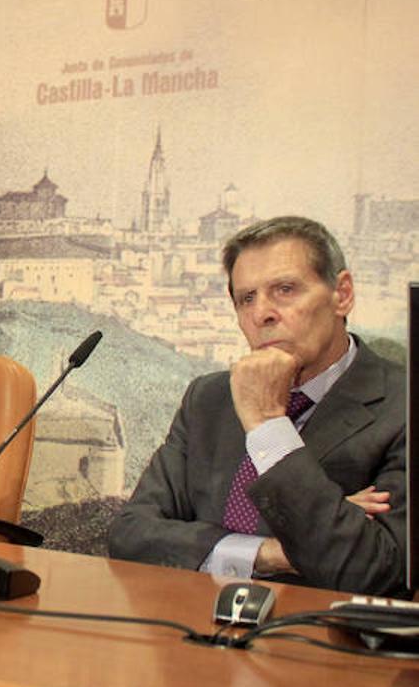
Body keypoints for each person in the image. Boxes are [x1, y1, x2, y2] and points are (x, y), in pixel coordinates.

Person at [109, 216, 407, 597]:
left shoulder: (403, 407)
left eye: (284, 289)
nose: (261, 313)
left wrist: (268, 425)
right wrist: (273, 551)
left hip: (319, 642)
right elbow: (131, 535)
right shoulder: (209, 398)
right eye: (246, 298)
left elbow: (375, 571)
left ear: (342, 294)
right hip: (192, 628)